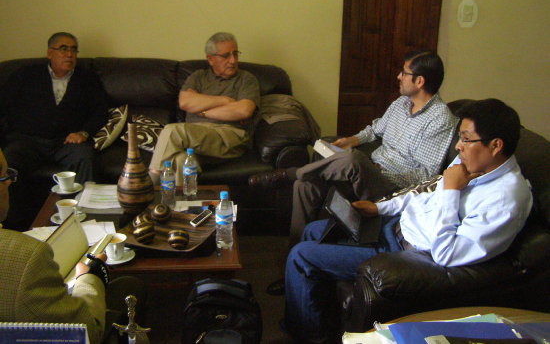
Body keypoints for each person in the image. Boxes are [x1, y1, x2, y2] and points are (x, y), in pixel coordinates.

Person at [283, 99, 533, 343]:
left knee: (301, 256)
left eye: (466, 138)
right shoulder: (472, 161)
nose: (458, 146)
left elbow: (447, 254)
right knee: (313, 231)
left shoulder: (505, 200)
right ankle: (316, 317)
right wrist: (379, 208)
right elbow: (422, 194)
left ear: (496, 145)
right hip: (392, 226)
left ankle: (308, 336)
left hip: (402, 252)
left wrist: (451, 191)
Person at [249, 50, 457, 294]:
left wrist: (375, 169)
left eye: (404, 72)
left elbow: (426, 175)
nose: (398, 76)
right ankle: (290, 269)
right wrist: (352, 139)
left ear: (419, 81)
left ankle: (289, 173)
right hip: (368, 172)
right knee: (306, 185)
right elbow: (375, 129)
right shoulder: (401, 103)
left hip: (394, 189)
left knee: (353, 162)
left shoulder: (440, 119)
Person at [0, 148, 146, 344]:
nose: (9, 182)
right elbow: (85, 332)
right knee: (131, 286)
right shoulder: (26, 257)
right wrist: (90, 277)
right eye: (4, 177)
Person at [1, 32, 108, 230]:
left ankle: (85, 217)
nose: (70, 54)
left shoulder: (87, 79)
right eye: (64, 49)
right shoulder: (25, 75)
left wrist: (84, 133)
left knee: (84, 156)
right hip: (28, 141)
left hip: (66, 142)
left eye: (74, 50)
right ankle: (13, 224)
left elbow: (100, 111)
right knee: (9, 160)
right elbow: (4, 106)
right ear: (50, 53)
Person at [150, 32, 260, 184]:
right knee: (182, 160)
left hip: (228, 136)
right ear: (210, 59)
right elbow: (185, 102)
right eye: (226, 56)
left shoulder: (246, 79)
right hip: (194, 141)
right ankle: (184, 205)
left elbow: (243, 110)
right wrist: (225, 101)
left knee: (171, 130)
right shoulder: (198, 77)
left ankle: (149, 186)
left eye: (235, 54)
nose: (233, 60)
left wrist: (201, 110)